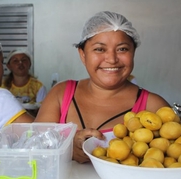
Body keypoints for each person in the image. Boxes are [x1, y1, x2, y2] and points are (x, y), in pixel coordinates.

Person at [35, 11, 170, 163]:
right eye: (99, 49)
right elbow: (32, 148)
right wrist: (66, 150)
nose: (112, 59)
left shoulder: (154, 106)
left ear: (133, 53)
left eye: (122, 49)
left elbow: (175, 160)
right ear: (83, 55)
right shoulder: (61, 95)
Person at [2, 49, 47, 116]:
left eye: (24, 60)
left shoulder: (38, 87)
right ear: (9, 66)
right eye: (15, 61)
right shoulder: (2, 86)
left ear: (30, 64)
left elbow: (43, 112)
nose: (20, 63)